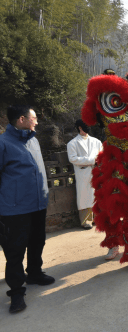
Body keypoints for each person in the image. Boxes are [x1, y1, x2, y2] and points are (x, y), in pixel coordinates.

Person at [0, 105, 55, 314]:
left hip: (38, 204)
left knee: (37, 241)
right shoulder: (3, 143)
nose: (37, 122)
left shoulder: (33, 140)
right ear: (22, 119)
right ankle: (16, 292)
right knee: (15, 251)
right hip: (14, 209)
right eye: (34, 118)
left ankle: (34, 273)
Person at [67, 120, 103, 230]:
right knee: (85, 197)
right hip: (83, 172)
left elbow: (101, 155)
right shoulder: (72, 143)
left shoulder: (96, 142)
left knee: (97, 195)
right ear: (79, 128)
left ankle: (98, 219)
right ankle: (86, 221)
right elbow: (72, 158)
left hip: (96, 171)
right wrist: (92, 160)